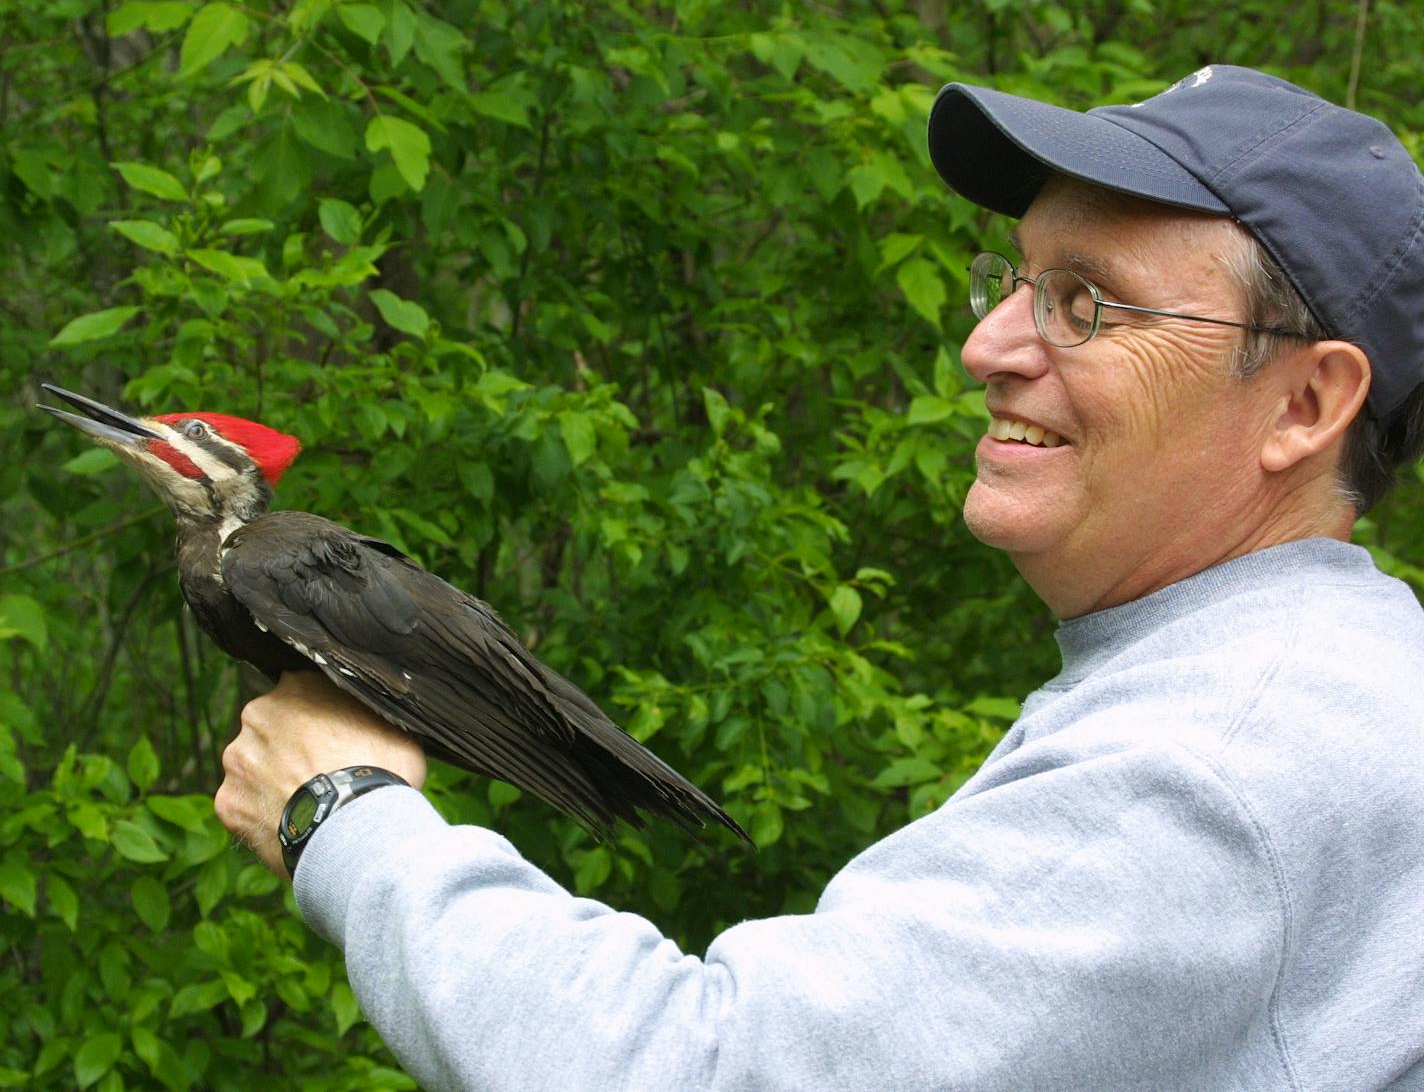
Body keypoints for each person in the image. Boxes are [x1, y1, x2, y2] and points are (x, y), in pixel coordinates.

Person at [215, 64, 1424, 1090]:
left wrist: (347, 815)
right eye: (1011, 280)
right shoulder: (1324, 676)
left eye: (1084, 304)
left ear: (1306, 403)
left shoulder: (1217, 761)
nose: (985, 346)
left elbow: (698, 1069)